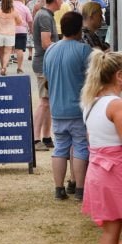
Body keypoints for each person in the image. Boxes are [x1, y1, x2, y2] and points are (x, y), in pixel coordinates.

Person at [79, 51, 122, 244]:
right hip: (115, 170)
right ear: (118, 76)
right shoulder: (116, 105)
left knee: (110, 229)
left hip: (98, 170)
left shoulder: (90, 102)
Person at [44, 12, 92, 201]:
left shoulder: (51, 50)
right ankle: (80, 189)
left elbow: (46, 79)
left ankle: (58, 189)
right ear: (79, 28)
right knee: (80, 148)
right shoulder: (84, 50)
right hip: (78, 109)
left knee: (60, 148)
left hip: (57, 109)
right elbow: (92, 80)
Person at [33, 0, 62, 151]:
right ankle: (36, 139)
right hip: (44, 64)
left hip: (46, 63)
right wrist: (62, 48)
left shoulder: (45, 15)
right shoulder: (44, 16)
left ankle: (46, 136)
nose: (62, 1)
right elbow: (46, 43)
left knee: (48, 102)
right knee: (44, 102)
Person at [0, 0, 22, 76]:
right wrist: (13, 23)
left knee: (1, 52)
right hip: (10, 33)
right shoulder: (14, 11)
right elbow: (20, 22)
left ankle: (2, 66)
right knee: (8, 52)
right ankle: (4, 67)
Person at [13, 0, 34, 69]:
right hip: (21, 30)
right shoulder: (24, 7)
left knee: (7, 50)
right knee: (19, 49)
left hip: (9, 30)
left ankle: (4, 66)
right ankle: (19, 67)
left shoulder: (9, 6)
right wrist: (31, 29)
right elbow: (30, 20)